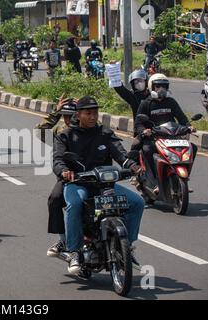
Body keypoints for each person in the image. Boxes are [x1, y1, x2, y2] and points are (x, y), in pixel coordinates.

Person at [53, 96, 144, 274]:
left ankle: (127, 247)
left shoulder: (104, 133)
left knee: (137, 202)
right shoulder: (65, 135)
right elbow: (57, 160)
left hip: (104, 184)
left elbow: (120, 153)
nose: (93, 117)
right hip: (77, 183)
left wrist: (132, 166)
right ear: (78, 115)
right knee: (75, 204)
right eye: (88, 113)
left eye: (95, 113)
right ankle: (74, 251)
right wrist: (64, 171)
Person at [133, 74, 197, 194]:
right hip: (153, 138)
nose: (161, 89)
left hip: (171, 137)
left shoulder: (171, 102)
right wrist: (144, 131)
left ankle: (184, 178)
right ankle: (153, 182)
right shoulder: (146, 103)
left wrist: (189, 126)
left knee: (192, 148)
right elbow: (138, 123)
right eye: (158, 86)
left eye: (164, 86)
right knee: (147, 150)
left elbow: (182, 118)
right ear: (152, 87)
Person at [35, 95, 78, 257]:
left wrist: (85, 107)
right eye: (65, 116)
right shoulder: (59, 132)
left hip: (93, 175)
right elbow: (40, 132)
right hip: (67, 177)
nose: (68, 119)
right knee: (54, 200)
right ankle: (64, 240)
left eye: (72, 115)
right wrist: (56, 112)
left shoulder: (90, 127)